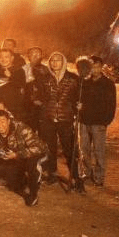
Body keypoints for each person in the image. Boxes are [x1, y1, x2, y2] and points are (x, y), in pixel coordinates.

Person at [35, 51, 83, 193]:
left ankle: (76, 178)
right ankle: (51, 174)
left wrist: (79, 105)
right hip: (47, 118)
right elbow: (38, 95)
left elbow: (78, 97)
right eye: (52, 60)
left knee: (69, 149)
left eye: (58, 60)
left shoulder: (73, 78)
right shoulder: (44, 78)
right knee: (49, 148)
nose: (55, 63)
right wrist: (37, 101)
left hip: (65, 118)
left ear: (63, 62)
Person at [0, 109, 48, 207]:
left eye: (3, 121)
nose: (0, 125)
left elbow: (39, 148)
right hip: (16, 158)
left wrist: (17, 155)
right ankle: (25, 179)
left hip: (37, 155)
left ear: (8, 121)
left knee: (32, 164)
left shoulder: (21, 129)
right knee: (12, 182)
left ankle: (33, 194)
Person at [77, 56, 117, 187]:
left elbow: (112, 104)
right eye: (92, 66)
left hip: (99, 122)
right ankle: (87, 173)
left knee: (99, 151)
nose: (94, 69)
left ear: (101, 67)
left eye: (97, 66)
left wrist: (106, 120)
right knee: (84, 149)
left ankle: (99, 177)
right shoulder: (84, 82)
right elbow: (78, 99)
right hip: (84, 121)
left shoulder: (108, 84)